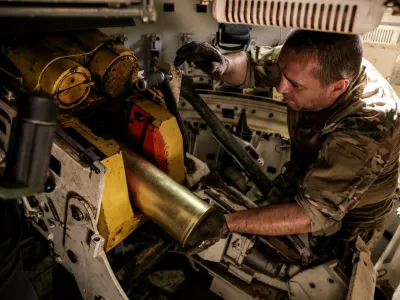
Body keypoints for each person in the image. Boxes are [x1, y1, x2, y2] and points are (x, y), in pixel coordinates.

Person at [175, 30, 400, 257]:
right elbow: (251, 67)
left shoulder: (369, 128)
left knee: (322, 276)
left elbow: (312, 214)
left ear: (337, 88)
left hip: (353, 215)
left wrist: (225, 223)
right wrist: (222, 64)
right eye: (282, 74)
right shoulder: (305, 63)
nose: (280, 88)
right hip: (303, 175)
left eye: (294, 85)